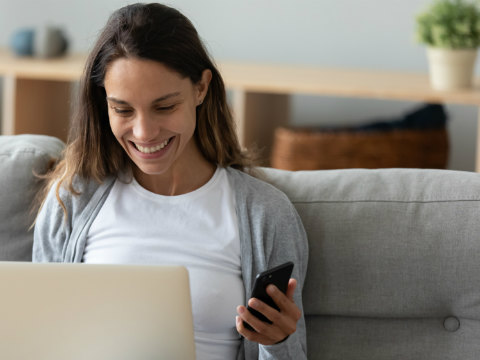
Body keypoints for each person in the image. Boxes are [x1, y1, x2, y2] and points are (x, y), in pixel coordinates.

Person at [32, 3, 308, 359]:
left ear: (201, 88)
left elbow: (292, 352)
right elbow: (37, 339)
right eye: (123, 109)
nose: (144, 132)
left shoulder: (265, 214)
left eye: (164, 107)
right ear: (103, 104)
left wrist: (277, 345)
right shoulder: (72, 200)